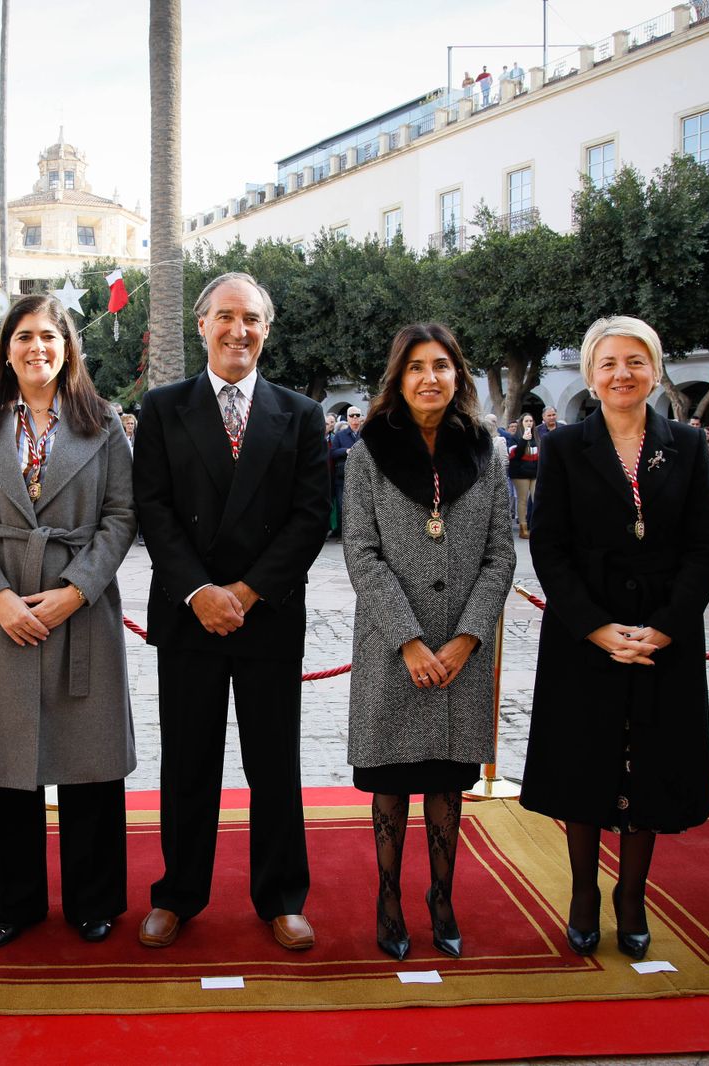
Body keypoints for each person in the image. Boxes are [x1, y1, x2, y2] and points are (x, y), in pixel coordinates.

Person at [131, 271, 329, 951]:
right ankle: (178, 894)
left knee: (274, 764)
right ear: (202, 324)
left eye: (252, 319)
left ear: (266, 330)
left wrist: (244, 594)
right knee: (188, 763)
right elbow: (152, 509)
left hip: (267, 615)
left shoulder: (300, 414)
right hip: (189, 615)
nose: (238, 330)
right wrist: (199, 592)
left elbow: (309, 519)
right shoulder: (162, 408)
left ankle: (281, 897)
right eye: (226, 317)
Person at [0, 295, 137, 949]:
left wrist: (76, 590)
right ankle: (8, 903)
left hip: (79, 613)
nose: (36, 348)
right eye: (23, 336)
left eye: (48, 336)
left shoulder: (102, 422)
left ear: (68, 345)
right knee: (3, 764)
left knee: (90, 762)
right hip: (0, 616)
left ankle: (93, 900)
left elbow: (121, 515)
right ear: (6, 349)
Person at [520, 316, 709, 961]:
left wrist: (665, 627)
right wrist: (598, 628)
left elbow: (704, 549)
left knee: (651, 765)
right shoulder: (564, 447)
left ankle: (631, 896)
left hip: (665, 635)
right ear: (589, 374)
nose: (622, 374)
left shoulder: (687, 447)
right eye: (608, 363)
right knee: (585, 763)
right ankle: (583, 891)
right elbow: (549, 549)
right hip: (586, 634)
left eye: (635, 361)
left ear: (655, 369)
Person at [342, 324, 515, 960]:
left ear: (458, 375)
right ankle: (388, 898)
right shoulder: (368, 453)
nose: (429, 378)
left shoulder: (486, 450)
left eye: (441, 366)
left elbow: (501, 555)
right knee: (391, 780)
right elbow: (361, 554)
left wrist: (468, 638)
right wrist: (410, 641)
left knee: (446, 782)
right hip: (394, 649)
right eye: (416, 367)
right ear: (399, 378)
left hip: (462, 650)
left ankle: (441, 896)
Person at [328, 407, 362, 539]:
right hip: (343, 477)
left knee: (360, 508)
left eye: (357, 415)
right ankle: (343, 535)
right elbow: (333, 453)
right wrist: (346, 451)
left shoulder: (364, 434)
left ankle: (359, 535)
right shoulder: (340, 436)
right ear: (347, 418)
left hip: (361, 476)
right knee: (343, 507)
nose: (354, 418)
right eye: (352, 416)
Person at [508, 413, 539, 538]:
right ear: (522, 422)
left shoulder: (536, 437)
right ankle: (523, 528)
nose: (529, 423)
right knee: (523, 500)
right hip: (520, 474)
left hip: (534, 473)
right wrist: (524, 440)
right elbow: (515, 455)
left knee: (537, 498)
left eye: (531, 421)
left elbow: (538, 456)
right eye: (526, 421)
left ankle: (537, 526)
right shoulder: (515, 437)